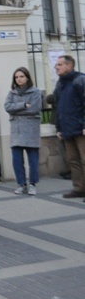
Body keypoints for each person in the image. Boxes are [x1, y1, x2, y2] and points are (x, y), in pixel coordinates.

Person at [4, 67, 42, 195]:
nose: (19, 79)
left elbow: (35, 108)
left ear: (27, 77)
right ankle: (21, 184)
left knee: (33, 159)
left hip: (31, 129)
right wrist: (24, 105)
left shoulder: (35, 92)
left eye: (21, 76)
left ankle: (32, 184)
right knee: (17, 159)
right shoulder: (12, 93)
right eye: (16, 77)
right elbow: (7, 107)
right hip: (17, 129)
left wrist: (17, 109)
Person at [53, 55, 85, 200]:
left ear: (69, 66)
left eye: (60, 64)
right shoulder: (60, 83)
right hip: (67, 128)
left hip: (80, 127)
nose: (56, 67)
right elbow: (58, 107)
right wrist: (59, 128)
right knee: (73, 160)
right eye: (56, 64)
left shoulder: (80, 80)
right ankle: (79, 188)